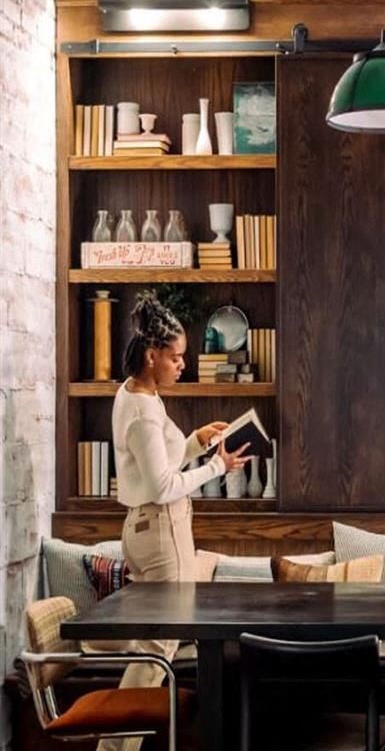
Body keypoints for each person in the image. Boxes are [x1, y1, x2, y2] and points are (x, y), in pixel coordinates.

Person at [98, 292, 250, 751]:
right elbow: (163, 487)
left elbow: (158, 466)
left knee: (156, 645)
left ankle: (120, 744)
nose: (183, 364)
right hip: (161, 531)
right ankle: (114, 746)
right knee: (158, 648)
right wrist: (217, 469)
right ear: (152, 355)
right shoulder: (143, 411)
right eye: (176, 357)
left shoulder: (138, 394)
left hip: (153, 528)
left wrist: (195, 443)